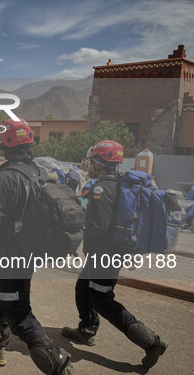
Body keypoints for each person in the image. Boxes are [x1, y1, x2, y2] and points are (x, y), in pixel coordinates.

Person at [0, 119, 74, 375]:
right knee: (3, 297)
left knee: (18, 312)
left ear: (6, 146)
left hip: (13, 253)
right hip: (30, 252)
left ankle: (59, 366)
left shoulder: (6, 178)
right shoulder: (39, 172)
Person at [61, 140, 167, 370]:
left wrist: (78, 223)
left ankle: (151, 342)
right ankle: (87, 329)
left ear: (100, 163)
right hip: (111, 253)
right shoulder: (122, 184)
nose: (90, 165)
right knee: (82, 286)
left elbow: (98, 226)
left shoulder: (101, 188)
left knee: (103, 300)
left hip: (104, 255)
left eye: (92, 161)